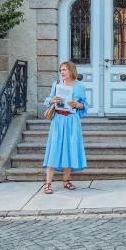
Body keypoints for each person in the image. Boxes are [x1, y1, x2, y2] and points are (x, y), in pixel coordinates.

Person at [42, 61, 88, 194]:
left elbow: (85, 105)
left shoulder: (80, 86)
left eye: (64, 70)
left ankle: (66, 181)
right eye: (61, 70)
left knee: (70, 149)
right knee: (54, 148)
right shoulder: (56, 84)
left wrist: (77, 105)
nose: (62, 72)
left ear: (71, 71)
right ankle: (48, 183)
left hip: (72, 120)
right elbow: (47, 100)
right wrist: (52, 100)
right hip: (58, 120)